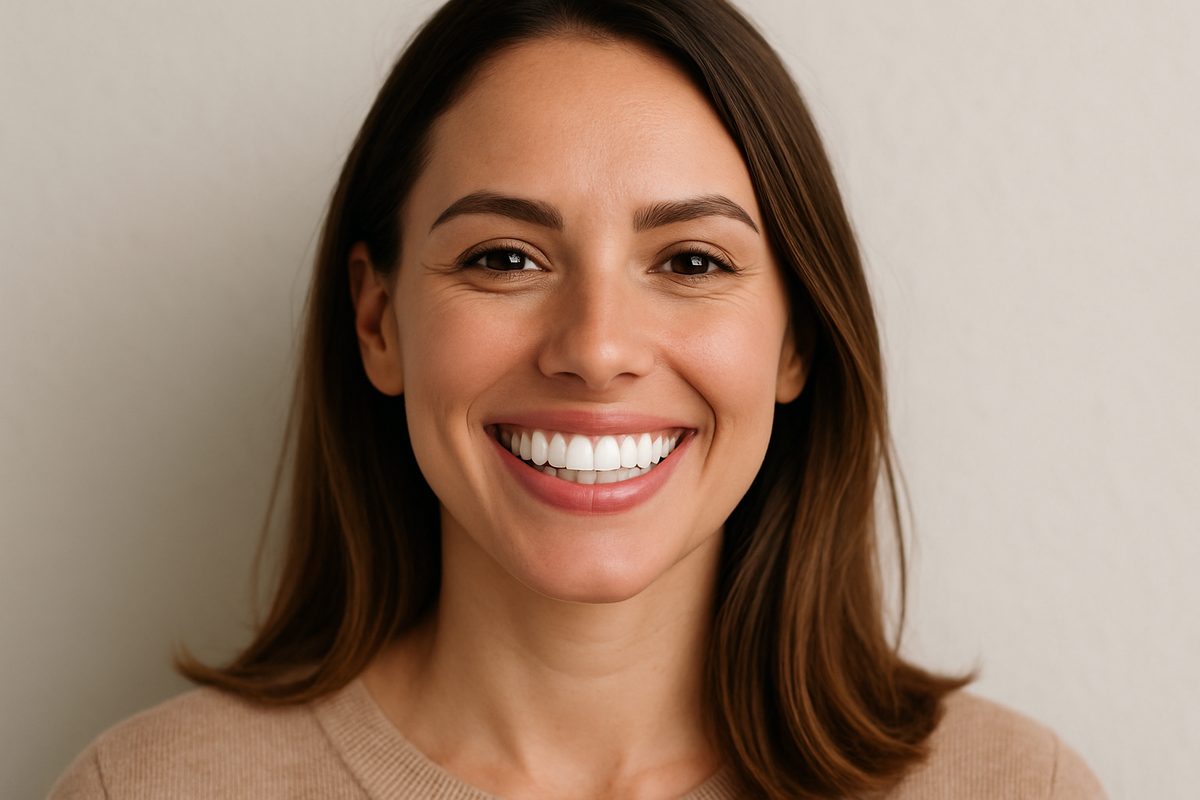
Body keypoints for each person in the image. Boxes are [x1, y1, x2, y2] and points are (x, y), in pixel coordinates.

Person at [50, 1, 1106, 798]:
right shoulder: (145, 789)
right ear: (378, 322)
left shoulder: (1015, 787)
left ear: (795, 340)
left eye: (691, 262)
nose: (596, 349)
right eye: (505, 257)